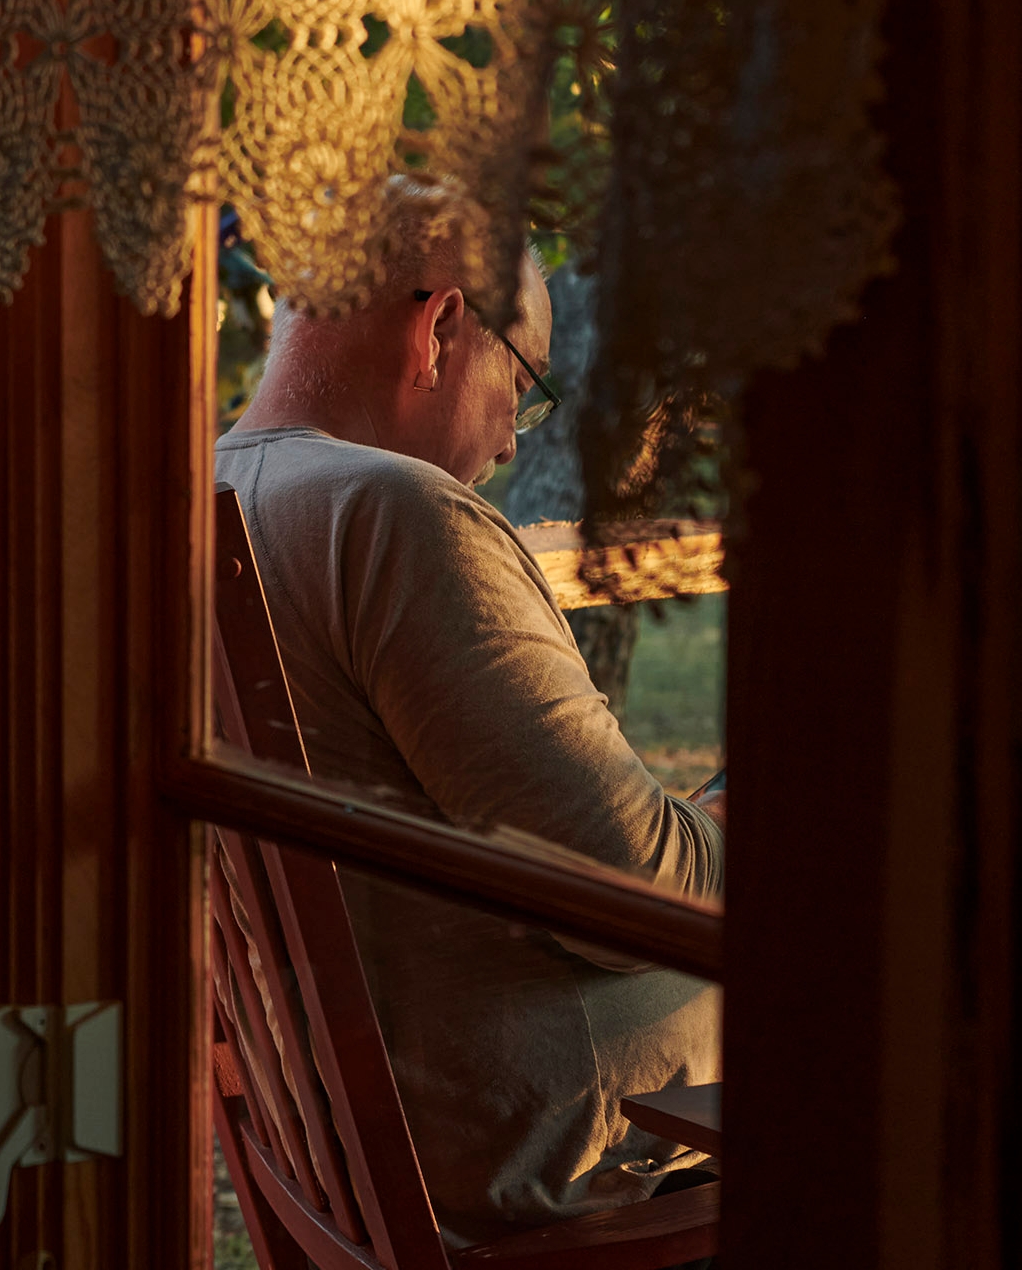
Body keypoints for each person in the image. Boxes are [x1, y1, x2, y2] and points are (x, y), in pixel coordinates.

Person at [215, 176, 722, 1245]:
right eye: (526, 385)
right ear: (444, 326)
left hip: (342, 1135)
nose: (509, 446)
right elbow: (629, 895)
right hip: (530, 1150)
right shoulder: (394, 513)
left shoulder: (212, 494)